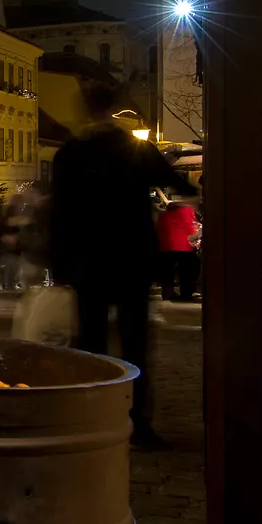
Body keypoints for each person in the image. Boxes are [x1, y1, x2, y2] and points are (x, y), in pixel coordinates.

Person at [50, 80, 196, 450]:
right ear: (113, 107)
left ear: (84, 109)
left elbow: (61, 214)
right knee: (135, 343)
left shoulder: (70, 153)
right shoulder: (136, 149)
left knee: (91, 344)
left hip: (89, 261)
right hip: (132, 258)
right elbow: (182, 184)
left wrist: (60, 265)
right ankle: (138, 423)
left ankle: (91, 417)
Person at [156, 197, 201, 302]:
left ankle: (167, 293)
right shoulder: (187, 211)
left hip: (165, 247)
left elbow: (158, 230)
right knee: (188, 270)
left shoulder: (163, 215)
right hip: (182, 247)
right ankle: (186, 294)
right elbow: (191, 230)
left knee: (167, 271)